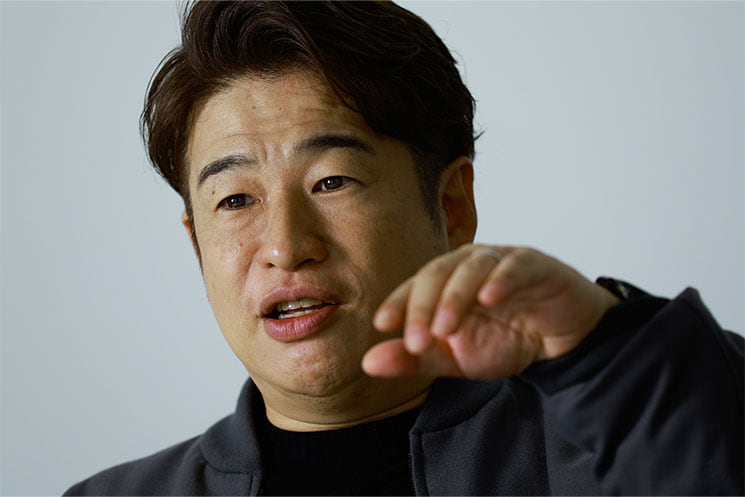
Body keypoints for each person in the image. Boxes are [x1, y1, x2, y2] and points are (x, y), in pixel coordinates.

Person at [65, 1, 743, 495]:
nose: (285, 247)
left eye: (332, 181)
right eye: (235, 199)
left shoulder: (604, 459)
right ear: (196, 243)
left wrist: (605, 349)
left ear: (451, 205)